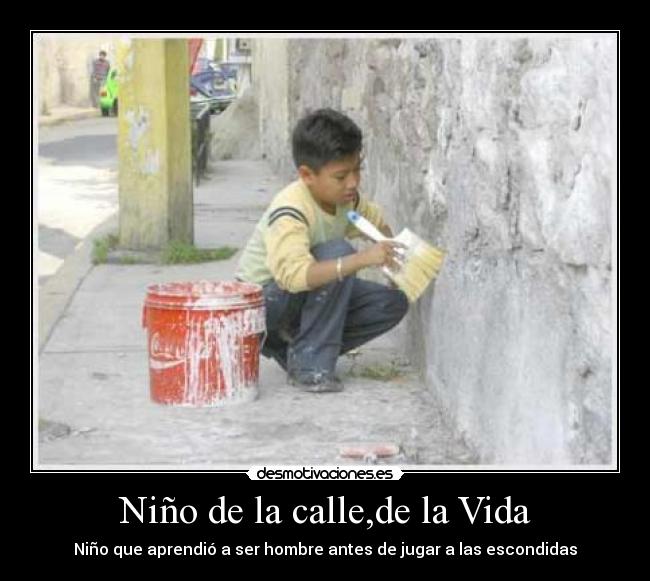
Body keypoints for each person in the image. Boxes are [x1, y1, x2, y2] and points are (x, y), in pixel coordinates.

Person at [235, 108, 408, 393]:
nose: (352, 182)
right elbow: (294, 277)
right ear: (307, 174)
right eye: (341, 176)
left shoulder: (346, 200)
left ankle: (298, 349)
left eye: (357, 170)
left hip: (303, 300)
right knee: (338, 253)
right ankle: (309, 365)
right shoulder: (290, 211)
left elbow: (376, 225)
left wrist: (393, 262)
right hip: (263, 306)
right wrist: (362, 259)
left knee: (390, 303)